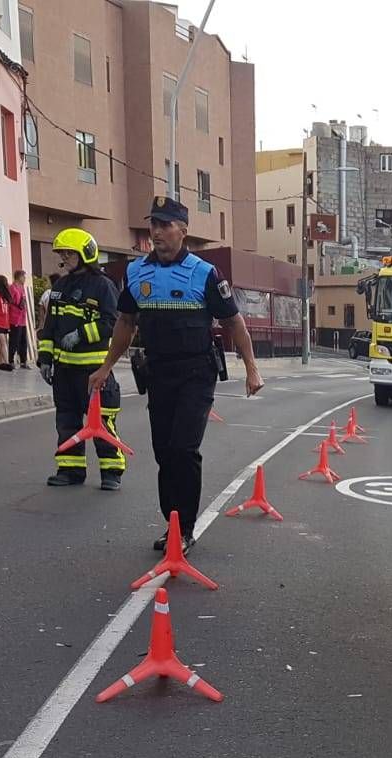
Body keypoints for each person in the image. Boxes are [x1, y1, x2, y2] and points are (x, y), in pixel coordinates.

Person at [89, 195, 263, 551]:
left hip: (196, 373)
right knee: (164, 453)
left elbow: (234, 321)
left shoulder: (204, 273)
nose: (157, 232)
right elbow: (125, 322)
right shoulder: (137, 273)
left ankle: (183, 530)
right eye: (153, 224)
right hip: (158, 373)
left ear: (183, 230)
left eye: (165, 225)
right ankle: (171, 524)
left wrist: (251, 368)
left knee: (184, 449)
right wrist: (106, 366)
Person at [38, 228, 124, 490]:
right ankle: (70, 469)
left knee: (102, 423)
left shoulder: (103, 286)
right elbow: (50, 326)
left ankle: (112, 473)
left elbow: (113, 322)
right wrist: (45, 358)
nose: (64, 258)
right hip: (64, 371)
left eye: (69, 253)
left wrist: (81, 334)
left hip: (94, 371)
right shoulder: (60, 287)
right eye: (62, 253)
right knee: (66, 421)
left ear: (86, 253)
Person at [7, 269, 31, 367]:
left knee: (23, 340)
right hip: (15, 318)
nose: (25, 279)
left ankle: (23, 361)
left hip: (22, 318)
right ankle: (11, 360)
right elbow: (9, 301)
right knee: (14, 340)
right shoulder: (12, 288)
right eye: (24, 277)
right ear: (19, 277)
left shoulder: (22, 288)